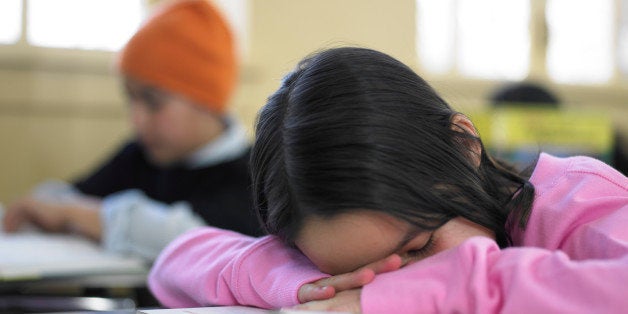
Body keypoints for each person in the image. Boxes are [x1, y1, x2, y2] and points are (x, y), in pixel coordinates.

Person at [147, 47, 628, 313]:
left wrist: (387, 297)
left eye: (420, 247)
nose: (407, 277)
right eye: (372, 271)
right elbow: (174, 264)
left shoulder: (580, 204)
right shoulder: (347, 240)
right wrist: (310, 285)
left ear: (464, 145)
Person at [2, 0, 261, 261]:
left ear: (208, 102)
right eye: (131, 99)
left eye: (152, 102)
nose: (136, 119)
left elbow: (189, 235)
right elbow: (75, 195)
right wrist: (44, 205)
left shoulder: (252, 177)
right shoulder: (140, 154)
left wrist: (75, 214)